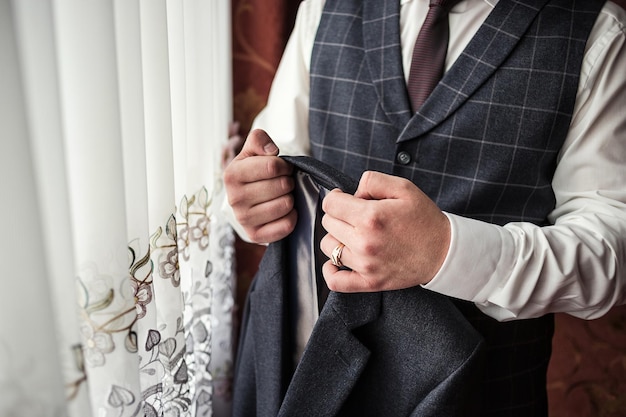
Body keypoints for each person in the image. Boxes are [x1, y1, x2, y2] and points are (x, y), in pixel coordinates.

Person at [224, 0, 626, 415]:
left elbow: (611, 253)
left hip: (488, 396)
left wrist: (446, 252)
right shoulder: (324, 6)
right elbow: (278, 160)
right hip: (321, 380)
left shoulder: (598, 29)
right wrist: (251, 202)